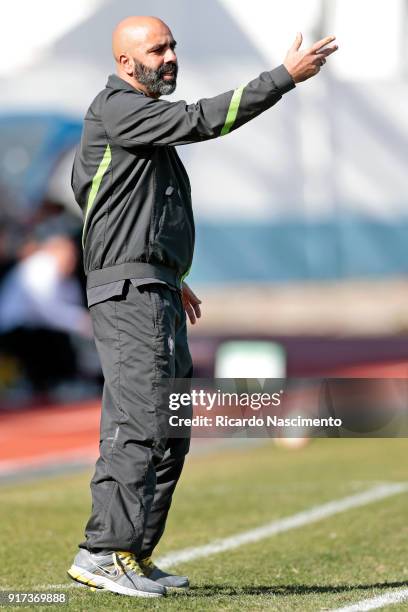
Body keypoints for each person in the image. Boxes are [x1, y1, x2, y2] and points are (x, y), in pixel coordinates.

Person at [67, 15, 338, 598]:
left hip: (152, 286)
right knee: (140, 420)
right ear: (125, 64)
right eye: (156, 49)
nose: (169, 56)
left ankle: (133, 552)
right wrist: (282, 78)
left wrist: (168, 271)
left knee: (173, 427)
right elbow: (201, 120)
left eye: (172, 46)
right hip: (128, 296)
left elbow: (131, 209)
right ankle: (100, 550)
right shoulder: (118, 108)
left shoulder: (141, 127)